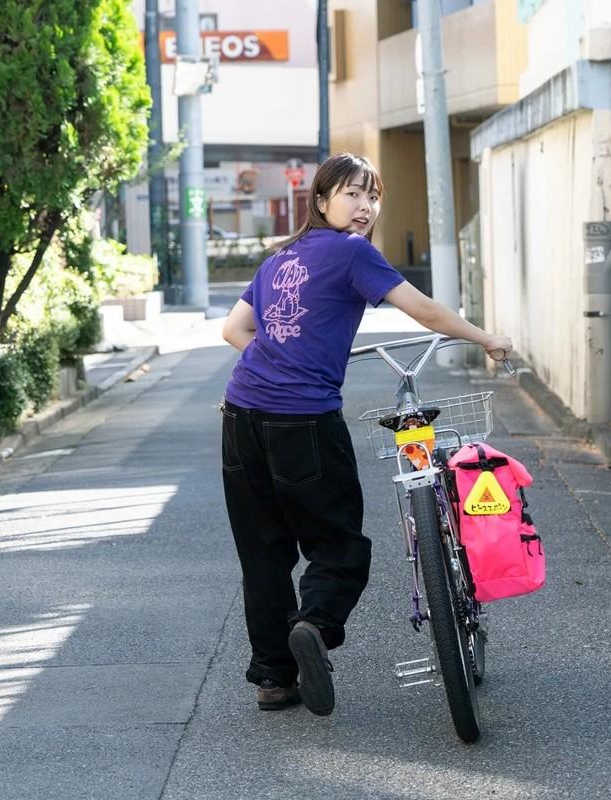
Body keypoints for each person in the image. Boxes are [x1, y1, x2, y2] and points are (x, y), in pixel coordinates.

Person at [221, 152, 512, 717]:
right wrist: (486, 338)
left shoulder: (280, 258)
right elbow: (424, 312)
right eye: (351, 194)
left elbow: (236, 330)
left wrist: (282, 360)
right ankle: (314, 624)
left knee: (263, 552)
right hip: (302, 420)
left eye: (372, 196)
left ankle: (274, 679)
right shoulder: (354, 254)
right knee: (339, 546)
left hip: (239, 417)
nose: (364, 207)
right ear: (322, 201)